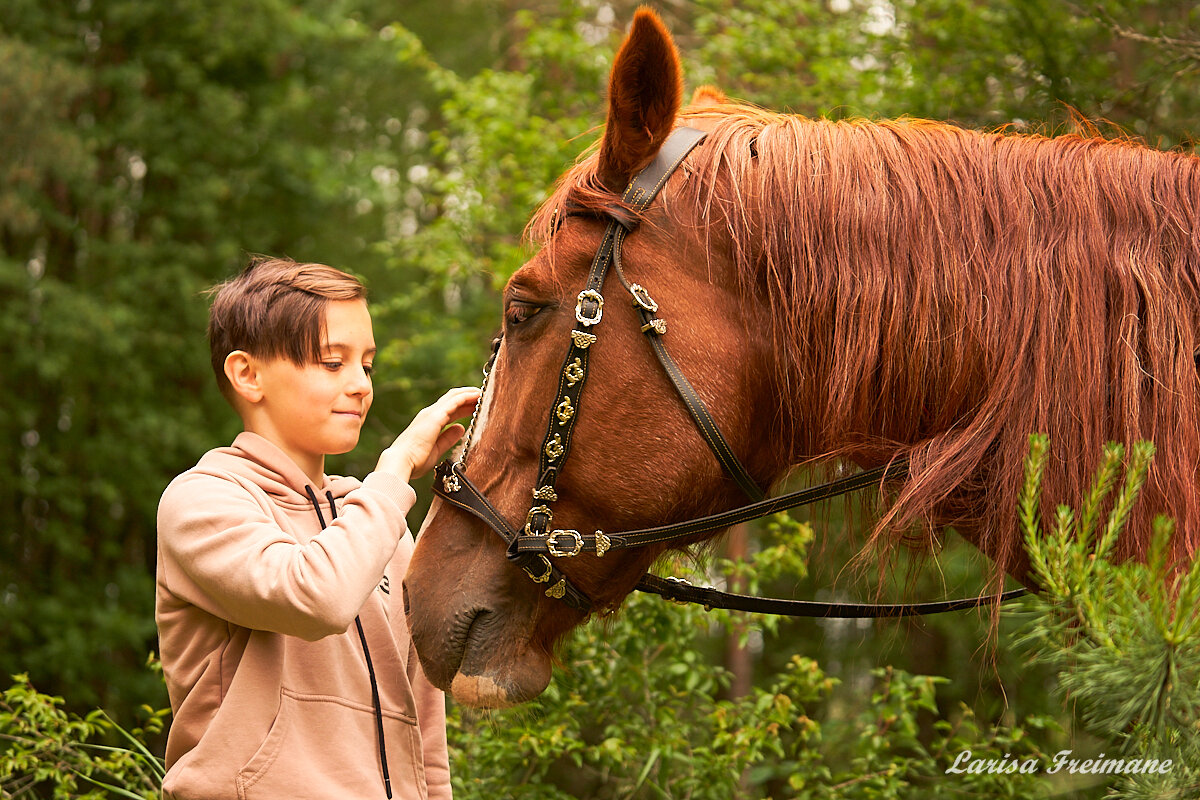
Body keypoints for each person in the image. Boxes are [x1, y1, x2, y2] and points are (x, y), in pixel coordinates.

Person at [155, 256, 477, 799]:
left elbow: (423, 714)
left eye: (367, 366)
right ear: (247, 374)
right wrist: (394, 470)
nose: (359, 385)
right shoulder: (202, 500)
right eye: (332, 363)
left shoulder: (380, 520)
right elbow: (317, 596)